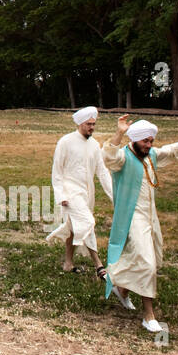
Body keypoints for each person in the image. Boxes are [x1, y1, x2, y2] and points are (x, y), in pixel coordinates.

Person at [102, 115, 178, 333]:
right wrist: (119, 133)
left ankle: (121, 290)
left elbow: (171, 150)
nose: (149, 145)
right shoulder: (123, 157)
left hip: (151, 217)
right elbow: (108, 156)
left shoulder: (150, 155)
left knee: (151, 258)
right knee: (147, 263)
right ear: (135, 140)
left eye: (151, 141)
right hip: (132, 218)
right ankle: (148, 315)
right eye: (145, 142)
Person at [45, 106, 120, 295]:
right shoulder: (66, 142)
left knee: (73, 226)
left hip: (87, 193)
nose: (92, 128)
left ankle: (68, 263)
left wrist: (114, 197)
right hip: (70, 193)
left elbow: (102, 172)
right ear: (80, 123)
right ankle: (99, 265)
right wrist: (61, 194)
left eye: (94, 124)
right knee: (87, 223)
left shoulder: (95, 145)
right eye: (89, 124)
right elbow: (57, 171)